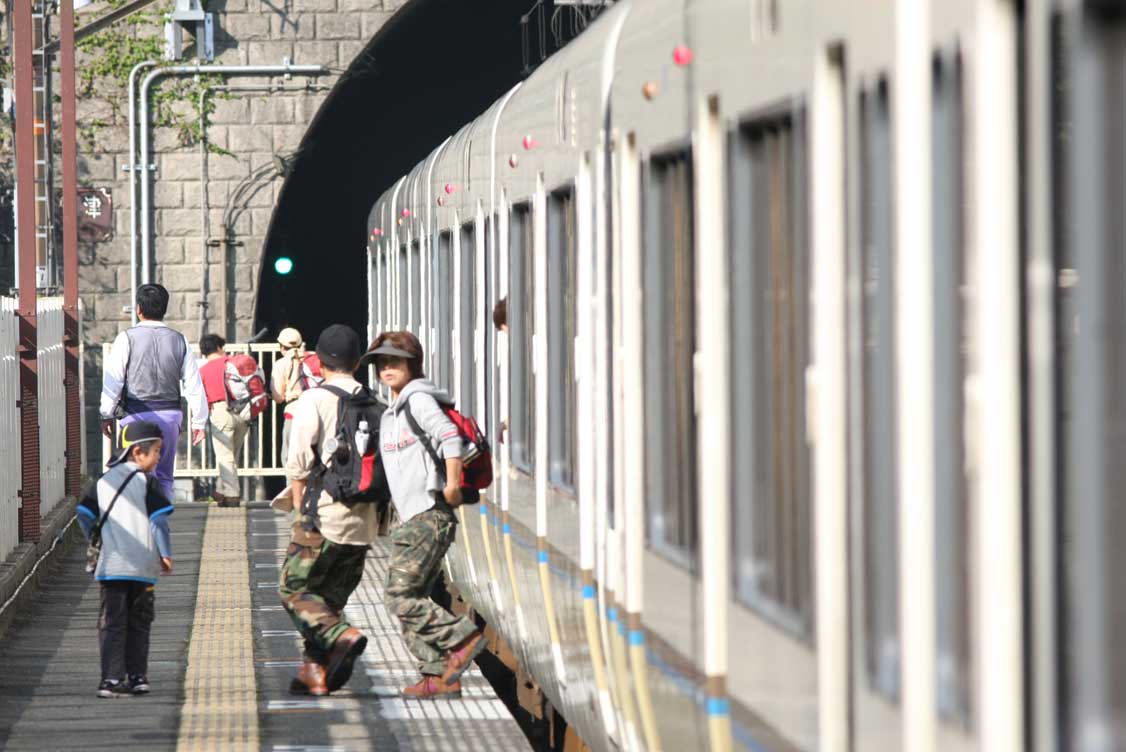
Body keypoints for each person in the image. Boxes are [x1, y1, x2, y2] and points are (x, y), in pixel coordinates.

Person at [359, 330, 486, 700]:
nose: (386, 369)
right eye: (381, 363)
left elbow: (449, 437)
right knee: (411, 595)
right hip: (414, 515)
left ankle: (462, 639)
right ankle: (438, 676)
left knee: (399, 597)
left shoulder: (418, 400)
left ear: (412, 364)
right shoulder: (396, 408)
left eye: (394, 362)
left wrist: (452, 482)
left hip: (428, 513)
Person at [279, 324, 376, 696]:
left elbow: (300, 462)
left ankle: (342, 635)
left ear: (318, 362)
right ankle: (314, 674)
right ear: (357, 362)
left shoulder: (314, 400)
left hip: (324, 514)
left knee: (294, 589)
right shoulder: (372, 400)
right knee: (326, 599)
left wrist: (301, 515)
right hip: (364, 520)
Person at [76, 420, 174, 699]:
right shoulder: (148, 482)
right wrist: (165, 553)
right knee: (140, 621)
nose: (158, 458)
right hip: (143, 567)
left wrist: (96, 536)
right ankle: (138, 676)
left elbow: (83, 513)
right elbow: (159, 522)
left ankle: (110, 679)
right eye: (156, 451)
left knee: (111, 623)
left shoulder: (103, 481)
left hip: (111, 567)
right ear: (137, 453)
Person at [99, 283, 207, 499]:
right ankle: (160, 522)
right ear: (165, 308)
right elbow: (194, 384)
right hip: (170, 415)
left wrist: (106, 413)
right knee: (165, 476)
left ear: (138, 308)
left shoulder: (126, 338)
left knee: (134, 475)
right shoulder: (180, 339)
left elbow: (114, 381)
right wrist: (199, 421)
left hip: (135, 416)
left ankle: (139, 524)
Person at [198, 334, 247, 507]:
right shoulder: (233, 363)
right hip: (242, 411)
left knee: (225, 456)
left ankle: (232, 495)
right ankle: (221, 491)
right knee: (233, 455)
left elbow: (200, 398)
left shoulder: (203, 370)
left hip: (220, 411)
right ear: (219, 347)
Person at [272, 327, 313, 464]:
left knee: (290, 457)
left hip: (294, 411)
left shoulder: (280, 364)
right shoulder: (313, 358)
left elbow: (278, 397)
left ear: (281, 346)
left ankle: (294, 485)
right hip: (316, 410)